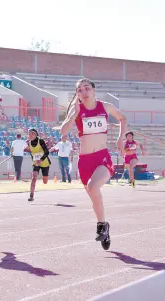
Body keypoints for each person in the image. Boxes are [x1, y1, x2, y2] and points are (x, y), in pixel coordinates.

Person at [61, 78, 127, 250]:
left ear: (93, 90)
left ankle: (101, 226)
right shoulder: (76, 110)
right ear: (77, 94)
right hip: (84, 161)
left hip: (102, 157)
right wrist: (74, 114)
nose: (83, 92)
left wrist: (120, 139)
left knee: (93, 186)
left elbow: (122, 118)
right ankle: (104, 225)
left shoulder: (105, 106)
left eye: (87, 88)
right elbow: (63, 131)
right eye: (79, 90)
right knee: (93, 195)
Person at [27, 129, 51, 202]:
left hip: (44, 162)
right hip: (36, 163)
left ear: (35, 134)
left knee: (45, 181)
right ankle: (31, 195)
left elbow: (47, 152)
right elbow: (31, 153)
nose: (30, 135)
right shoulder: (29, 143)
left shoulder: (40, 141)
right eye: (29, 134)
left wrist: (41, 160)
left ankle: (45, 178)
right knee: (34, 178)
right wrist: (34, 162)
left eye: (31, 134)